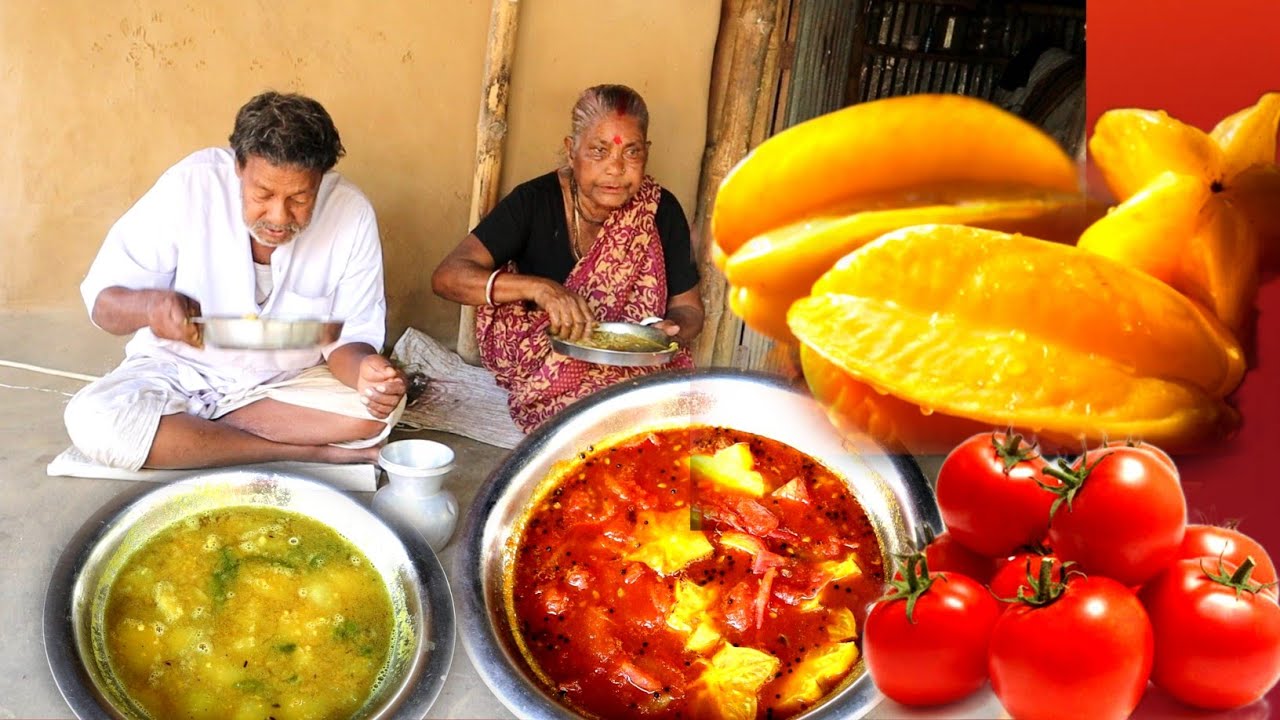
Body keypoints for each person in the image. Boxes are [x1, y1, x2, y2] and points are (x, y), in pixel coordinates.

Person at [65, 91, 406, 470]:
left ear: (321, 179)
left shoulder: (351, 213)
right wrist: (149, 306)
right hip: (175, 372)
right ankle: (302, 452)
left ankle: (193, 438)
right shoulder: (190, 184)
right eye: (263, 193)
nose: (278, 216)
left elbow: (348, 342)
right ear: (239, 166)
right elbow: (103, 304)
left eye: (299, 198)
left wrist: (366, 374)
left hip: (281, 386)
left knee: (375, 413)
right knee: (94, 420)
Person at [432, 84, 704, 432]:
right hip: (544, 367)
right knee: (594, 428)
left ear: (647, 153)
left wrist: (670, 331)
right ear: (570, 149)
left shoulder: (659, 210)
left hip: (636, 370)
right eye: (598, 151)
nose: (615, 168)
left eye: (631, 152)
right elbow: (447, 277)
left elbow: (691, 309)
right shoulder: (533, 202)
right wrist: (541, 289)